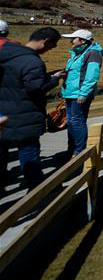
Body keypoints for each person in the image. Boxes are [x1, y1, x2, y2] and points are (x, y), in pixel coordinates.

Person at [0, 27, 64, 192]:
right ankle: (36, 190)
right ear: (46, 41)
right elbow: (35, 88)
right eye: (52, 45)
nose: (51, 49)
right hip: (25, 113)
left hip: (3, 110)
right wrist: (54, 79)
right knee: (29, 151)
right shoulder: (32, 62)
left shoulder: (7, 54)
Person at [59, 29, 103, 157]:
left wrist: (83, 93)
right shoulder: (78, 53)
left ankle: (79, 151)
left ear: (83, 41)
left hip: (79, 94)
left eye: (74, 39)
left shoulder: (93, 53)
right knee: (72, 121)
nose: (71, 41)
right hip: (71, 93)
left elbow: (92, 76)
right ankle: (71, 150)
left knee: (77, 121)